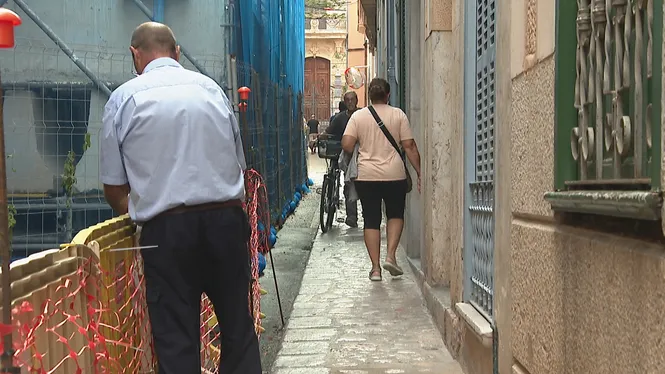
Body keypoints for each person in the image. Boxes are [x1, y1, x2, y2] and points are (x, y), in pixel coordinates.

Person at [100, 22, 261, 373]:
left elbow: (113, 185)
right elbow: (239, 164)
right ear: (177, 52)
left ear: (135, 55)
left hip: (166, 232)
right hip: (225, 221)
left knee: (176, 338)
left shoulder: (124, 98)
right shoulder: (212, 90)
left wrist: (140, 213)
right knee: (237, 328)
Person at [341, 78, 422, 282]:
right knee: (395, 214)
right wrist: (419, 171)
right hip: (395, 175)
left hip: (367, 175)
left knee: (371, 219)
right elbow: (410, 146)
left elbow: (347, 144)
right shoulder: (398, 115)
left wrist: (362, 145)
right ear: (388, 95)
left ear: (369, 96)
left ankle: (376, 269)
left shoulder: (359, 117)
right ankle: (391, 256)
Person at [323, 91, 360, 227]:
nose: (350, 102)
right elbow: (328, 132)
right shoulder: (339, 118)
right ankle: (350, 214)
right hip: (343, 154)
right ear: (345, 102)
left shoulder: (363, 115)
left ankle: (356, 215)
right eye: (347, 100)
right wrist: (317, 138)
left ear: (356, 100)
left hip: (360, 155)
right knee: (345, 180)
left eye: (352, 99)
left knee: (357, 184)